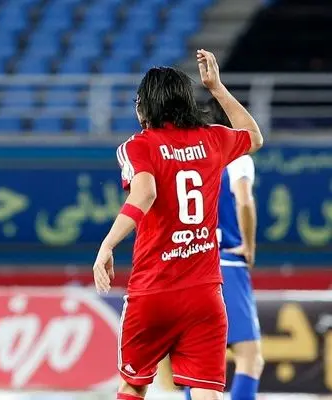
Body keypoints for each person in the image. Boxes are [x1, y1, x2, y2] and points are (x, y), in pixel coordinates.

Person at [92, 49, 264, 400]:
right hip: (204, 293)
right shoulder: (213, 139)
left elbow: (144, 193)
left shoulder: (138, 146)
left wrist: (107, 245)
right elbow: (254, 136)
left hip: (153, 290)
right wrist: (216, 87)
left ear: (145, 106)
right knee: (206, 390)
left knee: (133, 385)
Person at [183, 99, 263, 400]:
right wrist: (249, 246)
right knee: (250, 357)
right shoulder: (236, 157)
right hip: (227, 263)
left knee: (199, 363)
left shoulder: (189, 161)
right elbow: (244, 200)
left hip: (193, 266)